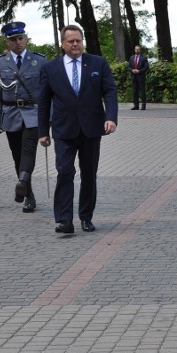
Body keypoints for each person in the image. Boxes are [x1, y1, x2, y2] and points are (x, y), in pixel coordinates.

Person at [39, 24, 118, 234]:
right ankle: (64, 219)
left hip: (91, 128)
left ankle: (86, 217)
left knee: (89, 174)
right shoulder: (50, 68)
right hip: (63, 129)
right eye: (71, 41)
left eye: (78, 41)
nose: (75, 44)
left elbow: (109, 91)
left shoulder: (97, 63)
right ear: (63, 43)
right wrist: (42, 132)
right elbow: (44, 102)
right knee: (65, 172)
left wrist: (111, 118)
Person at [0, 21, 46, 214]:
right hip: (11, 114)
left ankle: (22, 181)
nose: (18, 42)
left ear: (26, 38)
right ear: (7, 42)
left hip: (33, 113)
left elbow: (47, 92)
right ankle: (28, 194)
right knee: (17, 156)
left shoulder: (39, 61)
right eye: (13, 39)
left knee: (28, 150)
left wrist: (48, 117)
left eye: (21, 38)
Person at [129, 45, 149, 110]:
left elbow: (146, 67)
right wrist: (132, 70)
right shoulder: (131, 58)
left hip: (141, 77)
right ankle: (136, 105)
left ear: (140, 50)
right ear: (134, 50)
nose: (137, 50)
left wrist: (139, 71)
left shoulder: (144, 58)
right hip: (134, 77)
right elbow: (129, 67)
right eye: (136, 49)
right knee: (135, 92)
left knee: (142, 91)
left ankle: (143, 105)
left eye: (138, 49)